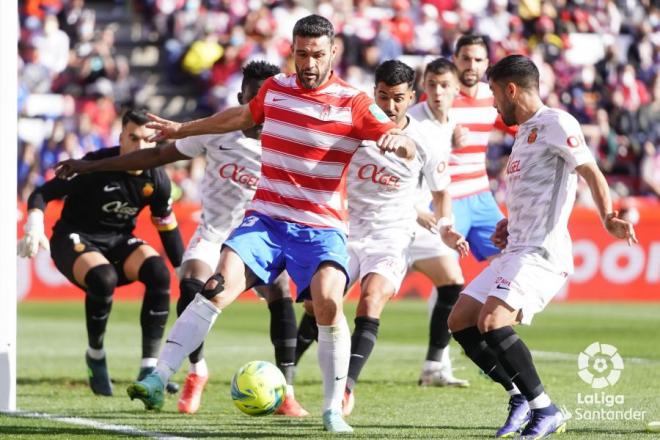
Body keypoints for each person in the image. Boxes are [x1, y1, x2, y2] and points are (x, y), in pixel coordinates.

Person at [121, 15, 413, 433]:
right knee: (217, 286)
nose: (308, 63)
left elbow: (391, 132)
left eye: (316, 54)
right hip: (267, 220)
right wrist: (182, 128)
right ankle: (158, 377)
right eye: (300, 54)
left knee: (328, 301)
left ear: (333, 52)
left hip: (319, 227)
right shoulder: (276, 90)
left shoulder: (353, 103)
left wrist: (398, 141)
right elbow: (237, 118)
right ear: (291, 53)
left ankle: (332, 410)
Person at [55, 61, 309, 417]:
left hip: (260, 234)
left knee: (281, 291)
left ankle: (288, 390)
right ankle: (197, 372)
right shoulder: (218, 129)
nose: (261, 112)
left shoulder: (286, 136)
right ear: (241, 99)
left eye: (268, 101)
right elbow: (158, 155)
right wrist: (90, 165)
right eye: (254, 101)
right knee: (190, 282)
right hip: (215, 230)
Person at [447, 55, 637, 439]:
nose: (496, 105)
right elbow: (535, 192)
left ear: (511, 89)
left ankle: (545, 409)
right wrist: (507, 225)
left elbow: (590, 170)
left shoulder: (556, 122)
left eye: (496, 95)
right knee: (461, 321)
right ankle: (519, 394)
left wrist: (607, 217)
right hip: (517, 246)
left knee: (492, 321)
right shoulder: (525, 132)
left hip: (542, 252)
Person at [293, 59, 469, 416]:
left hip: (392, 236)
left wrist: (445, 225)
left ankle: (346, 390)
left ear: (411, 98)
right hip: (346, 232)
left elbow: (441, 192)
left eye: (398, 98)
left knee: (371, 300)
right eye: (383, 96)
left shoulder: (425, 140)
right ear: (374, 93)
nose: (390, 106)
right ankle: (287, 369)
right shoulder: (353, 130)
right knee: (318, 303)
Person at [18, 109, 185, 397]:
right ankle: (95, 356)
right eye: (132, 138)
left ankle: (149, 369)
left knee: (160, 273)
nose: (139, 147)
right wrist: (34, 224)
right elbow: (42, 193)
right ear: (120, 136)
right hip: (73, 239)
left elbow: (166, 227)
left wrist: (184, 273)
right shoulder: (95, 165)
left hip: (118, 241)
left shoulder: (157, 179)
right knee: (104, 277)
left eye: (147, 141)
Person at [416, 35, 517, 386]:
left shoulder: (494, 99)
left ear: (486, 63)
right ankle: (438, 362)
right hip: (448, 197)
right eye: (465, 59)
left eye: (477, 60)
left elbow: (519, 125)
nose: (470, 66)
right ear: (455, 60)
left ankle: (489, 347)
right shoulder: (442, 97)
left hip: (482, 196)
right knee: (449, 279)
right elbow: (419, 139)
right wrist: (446, 139)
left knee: (507, 270)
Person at [407, 57, 471, 387]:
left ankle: (433, 366)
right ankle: (288, 363)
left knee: (451, 283)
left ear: (456, 89)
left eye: (444, 85)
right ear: (423, 86)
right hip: (399, 218)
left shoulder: (449, 121)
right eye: (431, 84)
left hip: (426, 222)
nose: (436, 91)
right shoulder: (412, 122)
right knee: (333, 296)